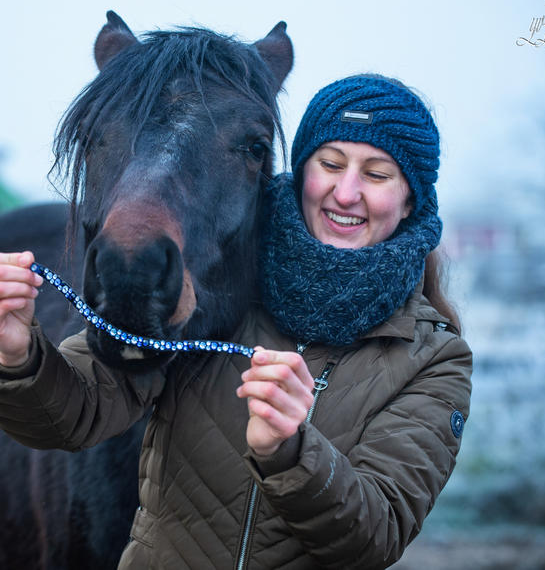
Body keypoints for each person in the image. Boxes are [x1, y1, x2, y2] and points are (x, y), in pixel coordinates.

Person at [0, 75, 472, 569]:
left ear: (411, 199)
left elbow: (373, 538)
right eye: (330, 164)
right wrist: (20, 357)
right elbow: (76, 411)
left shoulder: (435, 358)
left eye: (376, 175)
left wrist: (291, 452)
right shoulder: (217, 293)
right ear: (301, 170)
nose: (346, 193)